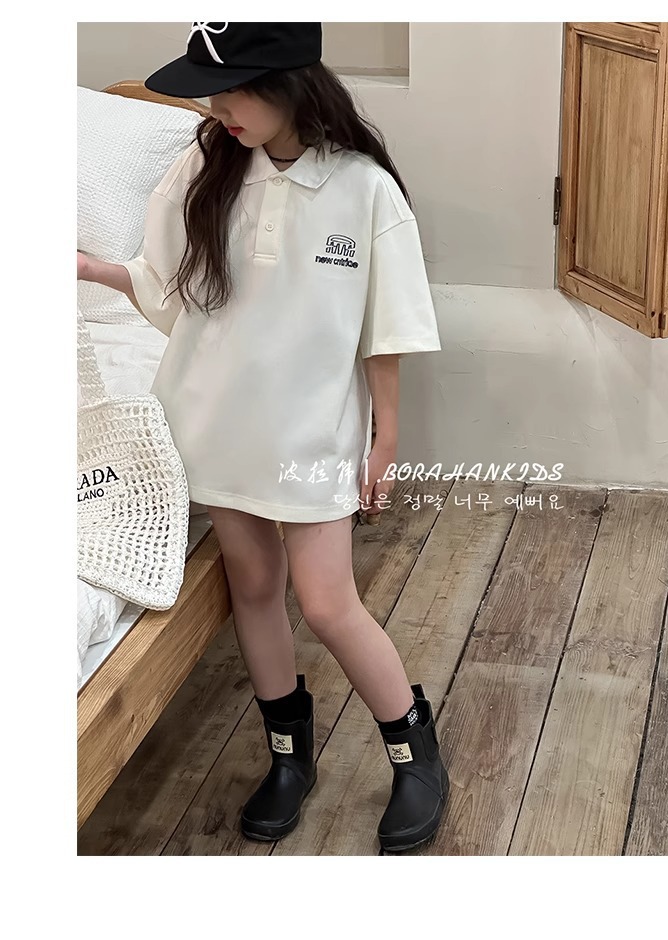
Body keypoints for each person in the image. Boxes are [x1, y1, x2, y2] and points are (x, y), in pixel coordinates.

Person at [77, 22, 448, 853]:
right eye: (211, 91)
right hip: (211, 420)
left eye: (233, 90)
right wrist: (98, 272)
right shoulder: (206, 166)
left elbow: (387, 328)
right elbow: (167, 284)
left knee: (327, 603)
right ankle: (288, 756)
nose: (218, 108)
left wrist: (386, 436)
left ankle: (413, 754)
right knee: (252, 585)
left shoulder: (364, 190)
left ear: (290, 82)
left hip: (311, 433)